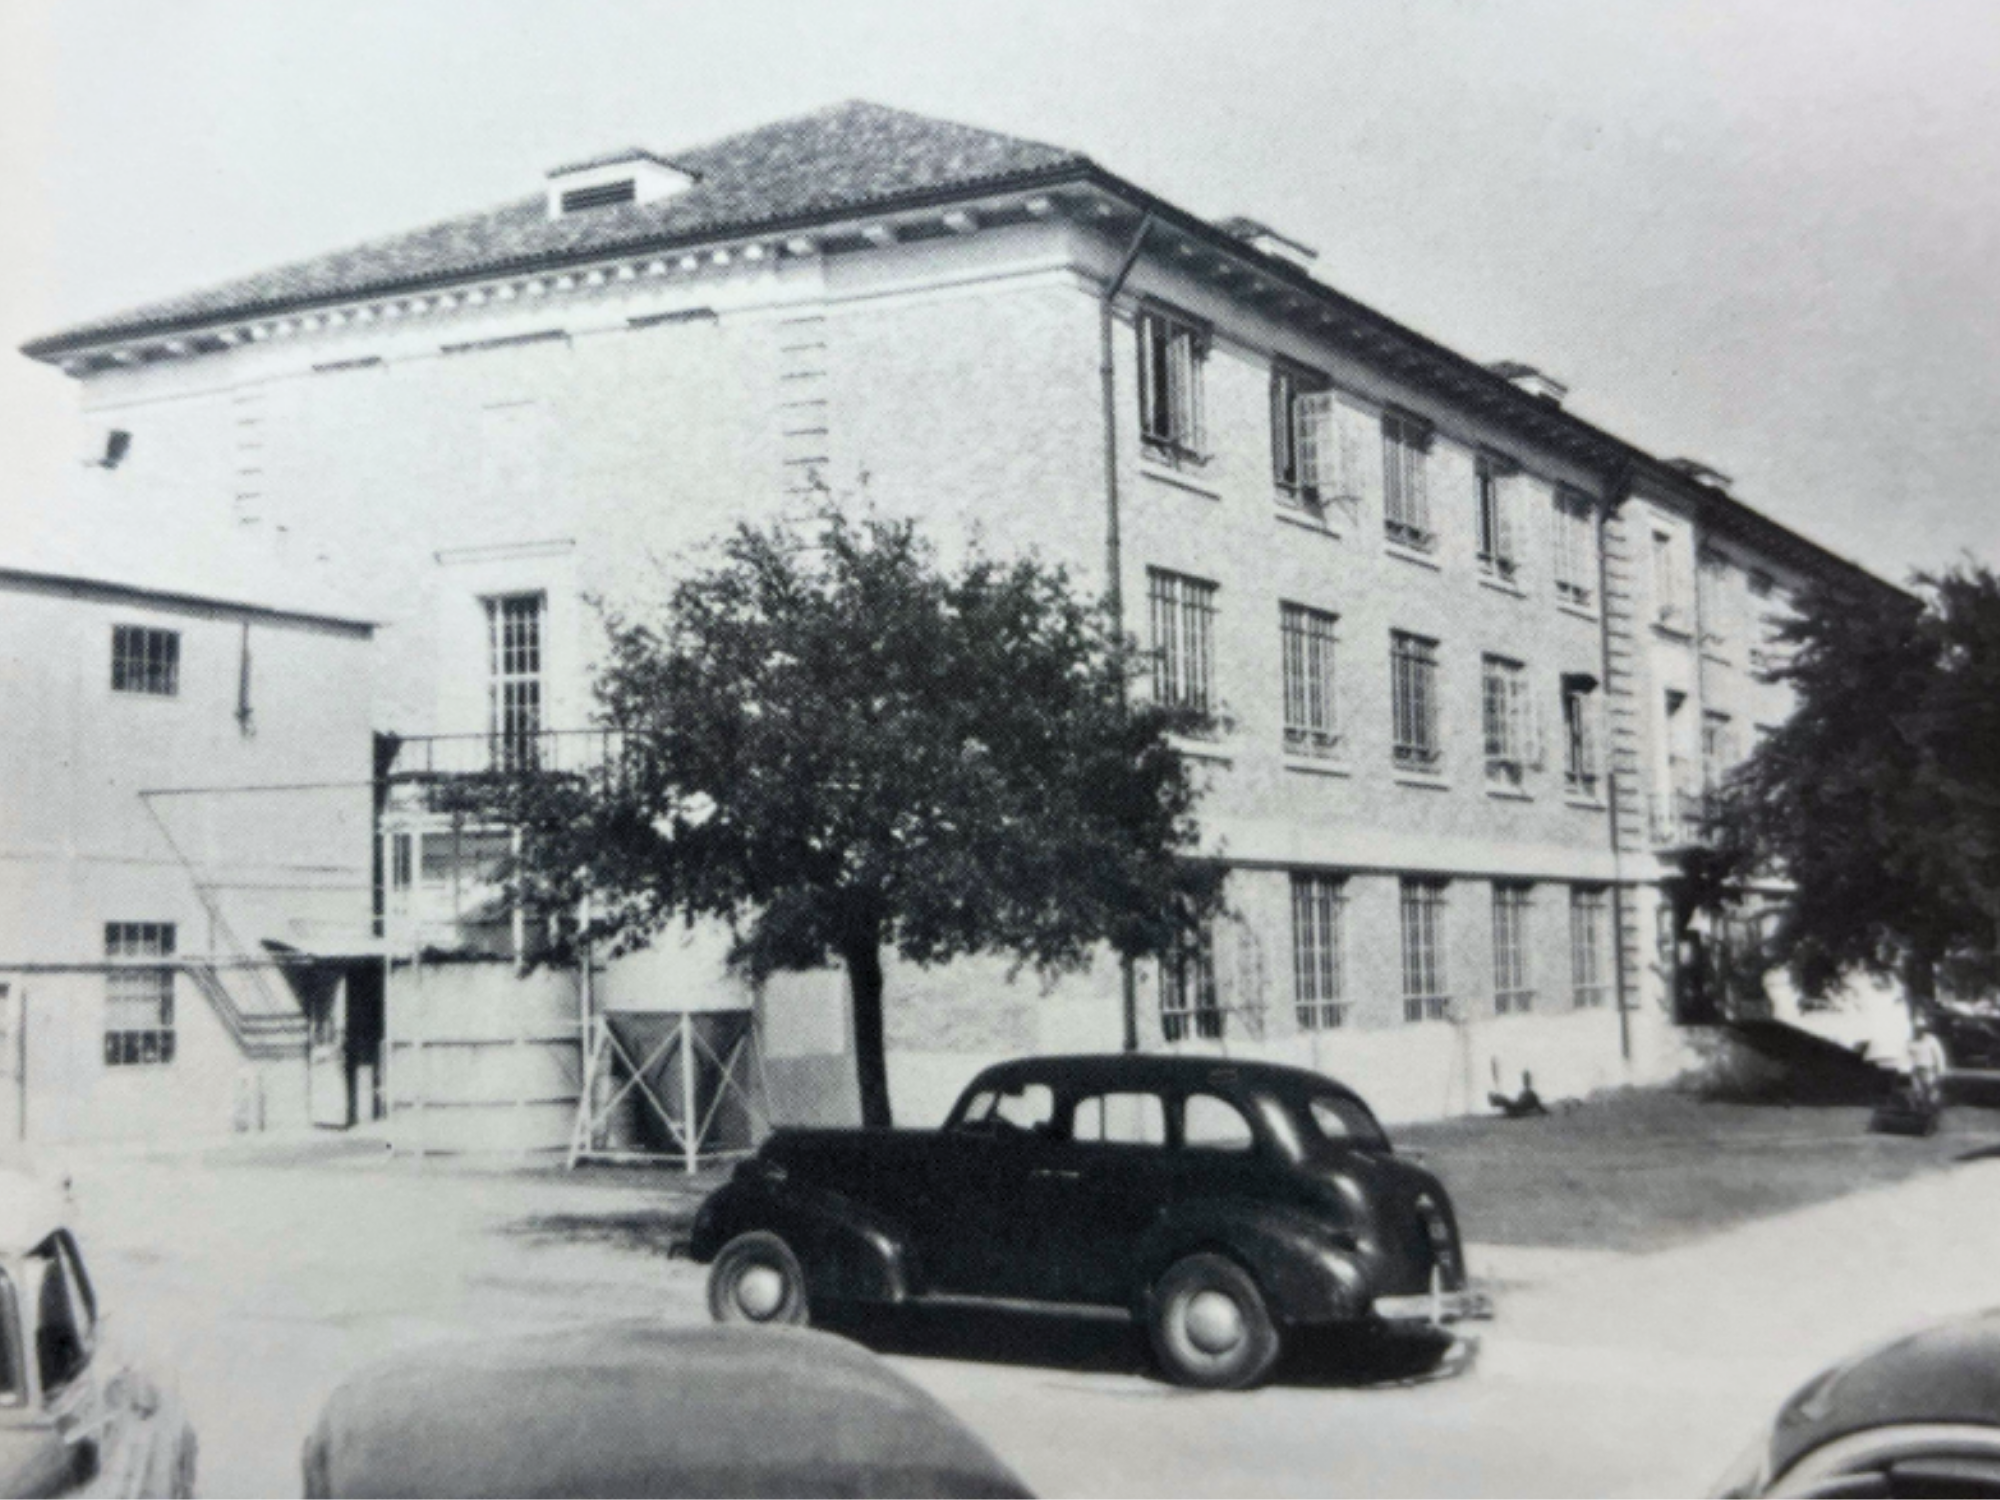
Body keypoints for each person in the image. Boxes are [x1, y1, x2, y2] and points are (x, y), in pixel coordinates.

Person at [1907, 1015, 1949, 1113]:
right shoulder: (1910, 1041)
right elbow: (1907, 1056)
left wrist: (1941, 1071)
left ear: (1925, 1028)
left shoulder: (1931, 1040)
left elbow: (1939, 1056)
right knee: (1918, 1092)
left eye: (1921, 1028)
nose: (1919, 1030)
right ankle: (1919, 1112)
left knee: (1932, 1092)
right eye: (1917, 1028)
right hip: (1916, 1070)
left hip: (1929, 1069)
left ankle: (1934, 1112)